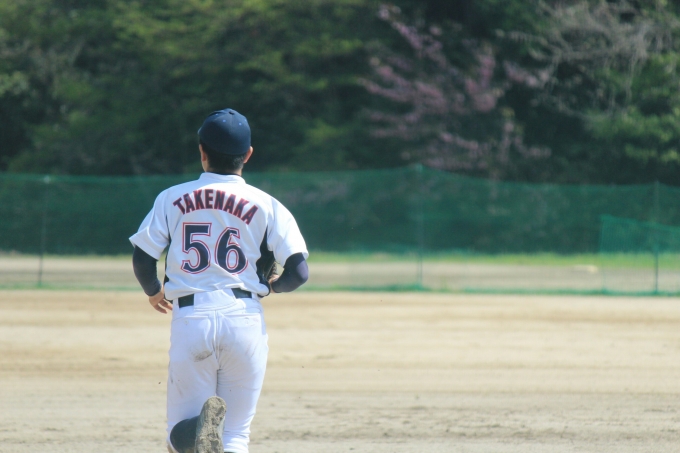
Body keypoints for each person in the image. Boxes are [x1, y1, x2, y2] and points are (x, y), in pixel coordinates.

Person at [129, 108, 309, 453]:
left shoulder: (171, 197)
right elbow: (299, 272)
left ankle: (195, 431)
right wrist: (273, 286)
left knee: (179, 436)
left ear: (202, 150)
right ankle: (212, 436)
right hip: (244, 319)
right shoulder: (268, 204)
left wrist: (153, 291)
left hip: (192, 317)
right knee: (236, 436)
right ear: (248, 154)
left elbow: (143, 258)